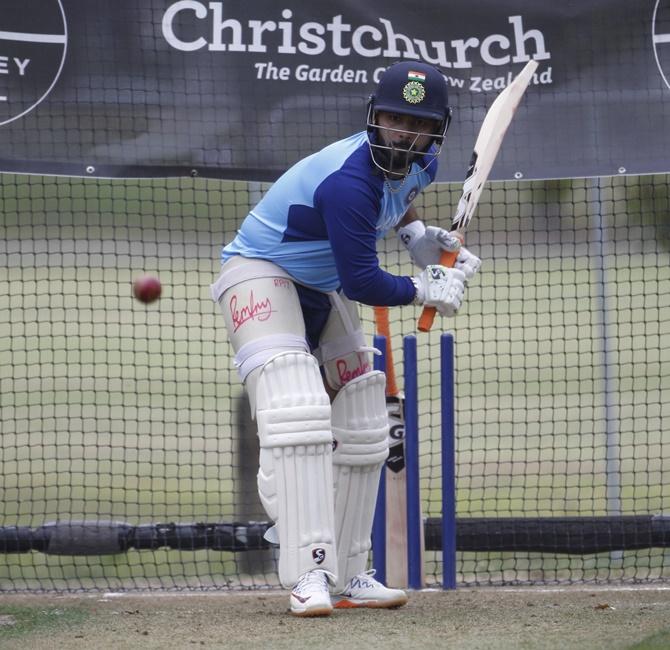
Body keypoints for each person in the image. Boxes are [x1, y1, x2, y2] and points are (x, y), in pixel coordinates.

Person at [211, 60, 481, 616]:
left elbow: (401, 197)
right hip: (259, 272)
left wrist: (415, 238)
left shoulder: (422, 161)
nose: (403, 132)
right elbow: (362, 281)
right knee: (298, 406)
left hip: (318, 284)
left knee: (362, 414)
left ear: (436, 130)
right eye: (392, 119)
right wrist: (425, 285)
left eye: (417, 123)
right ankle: (307, 574)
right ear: (374, 117)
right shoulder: (348, 183)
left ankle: (353, 572)